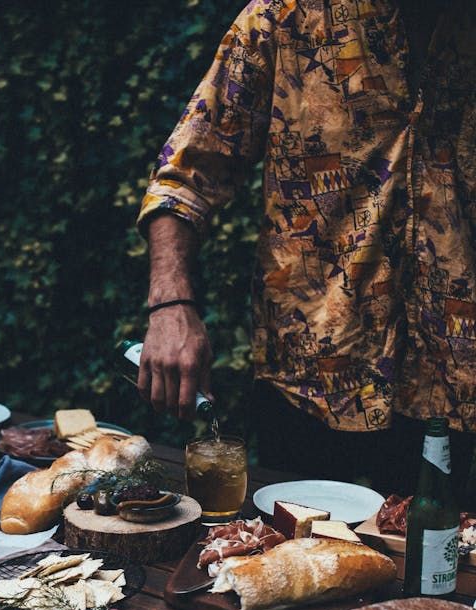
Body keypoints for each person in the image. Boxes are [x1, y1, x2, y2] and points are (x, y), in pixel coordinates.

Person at [136, 0, 476, 498]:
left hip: (455, 393)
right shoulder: (284, 15)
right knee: (287, 561)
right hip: (307, 384)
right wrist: (171, 307)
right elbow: (186, 175)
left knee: (440, 569)